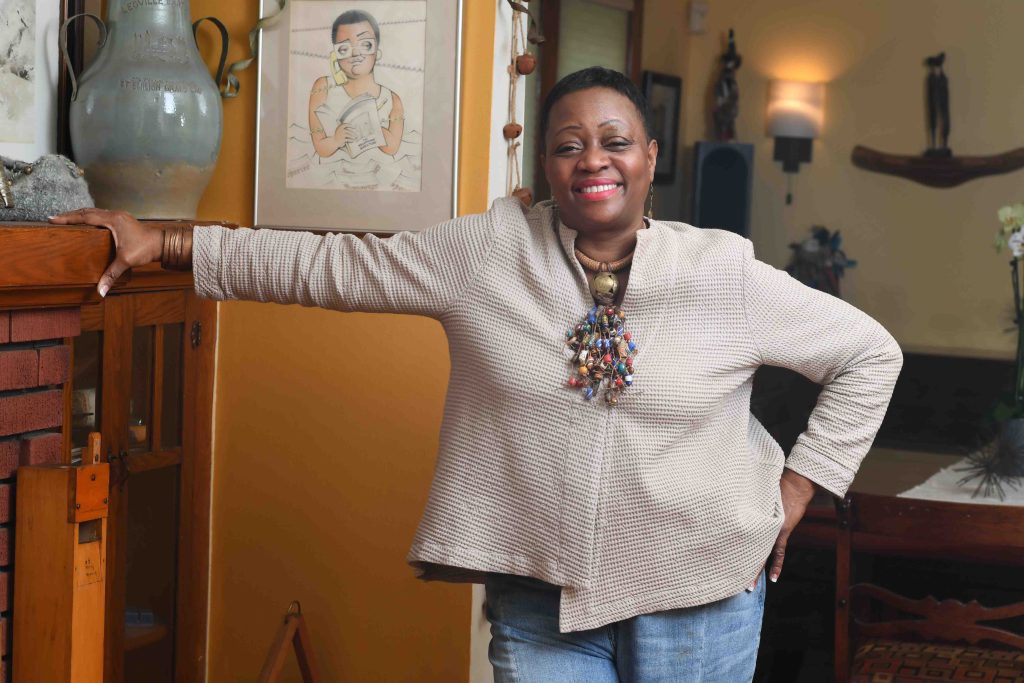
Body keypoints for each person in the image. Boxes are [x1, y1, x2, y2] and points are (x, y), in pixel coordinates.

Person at [51, 67, 902, 682]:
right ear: (546, 167)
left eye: (615, 142)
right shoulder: (487, 253)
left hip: (700, 593)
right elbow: (332, 266)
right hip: (538, 596)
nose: (593, 160)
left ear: (649, 156)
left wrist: (798, 489)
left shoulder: (723, 273)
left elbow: (870, 354)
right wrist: (165, 240)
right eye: (568, 145)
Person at [307, 9, 405, 160]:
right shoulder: (323, 88)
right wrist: (335, 140)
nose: (355, 54)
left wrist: (374, 129)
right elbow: (320, 147)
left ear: (377, 51)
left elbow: (393, 148)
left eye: (365, 45)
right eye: (344, 49)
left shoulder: (392, 100)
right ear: (335, 55)